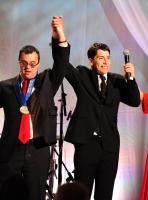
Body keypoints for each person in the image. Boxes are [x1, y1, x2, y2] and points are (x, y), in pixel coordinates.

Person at [0, 16, 69, 200]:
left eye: (32, 64)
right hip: (10, 150)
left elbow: (61, 64)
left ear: (38, 63)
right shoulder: (5, 87)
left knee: (36, 195)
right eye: (24, 63)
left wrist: (59, 36)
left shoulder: (47, 83)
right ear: (19, 62)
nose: (28, 68)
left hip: (37, 149)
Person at [64, 42, 140, 200]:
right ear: (91, 60)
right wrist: (61, 41)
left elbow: (134, 101)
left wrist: (131, 78)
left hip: (109, 146)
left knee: (105, 194)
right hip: (86, 145)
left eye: (108, 58)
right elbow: (64, 65)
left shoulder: (117, 81)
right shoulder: (83, 74)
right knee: (81, 193)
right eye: (101, 58)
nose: (106, 62)